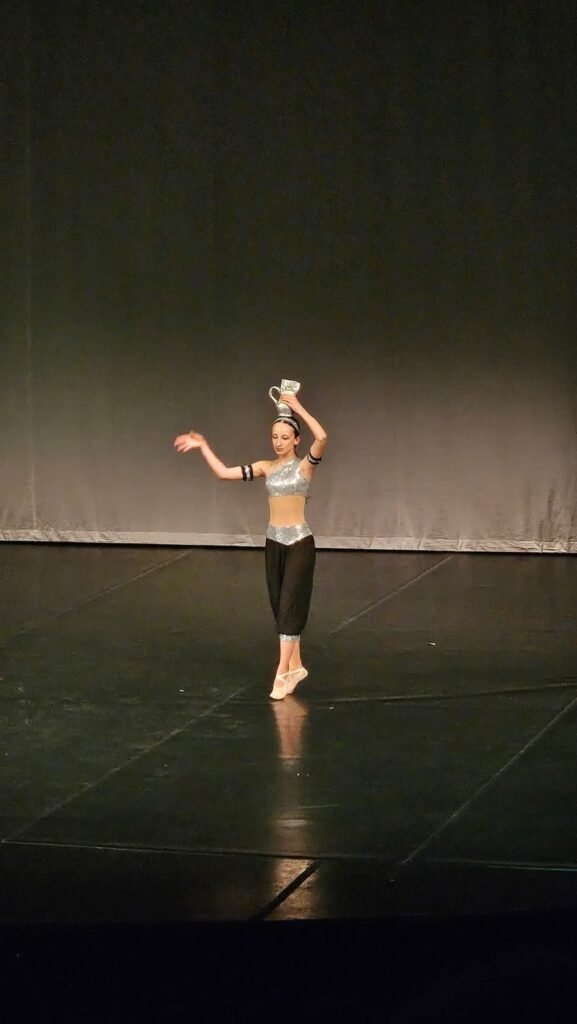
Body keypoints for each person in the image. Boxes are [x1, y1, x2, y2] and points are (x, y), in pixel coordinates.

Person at [173, 391, 327, 700]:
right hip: (273, 542)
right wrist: (203, 446)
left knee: (290, 605)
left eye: (285, 437)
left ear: (296, 440)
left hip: (299, 542)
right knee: (279, 607)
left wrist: (297, 406)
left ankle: (281, 672)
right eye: (275, 436)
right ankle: (296, 666)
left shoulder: (304, 467)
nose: (279, 442)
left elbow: (322, 437)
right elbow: (223, 473)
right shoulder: (266, 467)